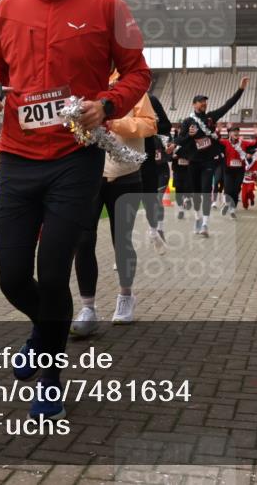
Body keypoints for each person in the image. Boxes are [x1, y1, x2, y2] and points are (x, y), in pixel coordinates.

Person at [0, 0, 150, 421]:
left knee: (52, 274)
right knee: (11, 278)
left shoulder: (108, 5)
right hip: (18, 158)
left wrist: (109, 104)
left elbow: (138, 72)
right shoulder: (8, 6)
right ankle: (46, 327)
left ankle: (50, 374)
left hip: (75, 158)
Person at [71, 80, 156, 336]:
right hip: (87, 175)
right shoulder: (82, 82)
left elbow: (150, 125)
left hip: (126, 174)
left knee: (122, 240)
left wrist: (112, 122)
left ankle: (125, 296)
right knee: (83, 240)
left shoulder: (132, 89)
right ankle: (88, 307)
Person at [173, 77, 249, 236]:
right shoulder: (187, 122)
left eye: (205, 101)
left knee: (206, 191)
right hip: (193, 162)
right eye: (200, 101)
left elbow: (228, 105)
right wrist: (189, 135)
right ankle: (198, 219)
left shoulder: (211, 118)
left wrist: (240, 89)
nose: (204, 103)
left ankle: (205, 224)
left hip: (208, 162)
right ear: (194, 104)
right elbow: (179, 141)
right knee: (196, 194)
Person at [140, 93, 173, 252]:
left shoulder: (150, 101)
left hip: (156, 166)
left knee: (155, 200)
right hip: (127, 163)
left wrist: (170, 147)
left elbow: (166, 128)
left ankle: (156, 230)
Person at [220, 125, 246, 219]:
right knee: (228, 189)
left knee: (236, 190)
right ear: (229, 133)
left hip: (239, 170)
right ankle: (227, 203)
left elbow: (254, 145)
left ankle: (232, 210)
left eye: (237, 131)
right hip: (228, 170)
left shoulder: (243, 143)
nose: (236, 133)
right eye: (233, 131)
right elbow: (216, 142)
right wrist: (218, 132)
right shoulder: (225, 142)